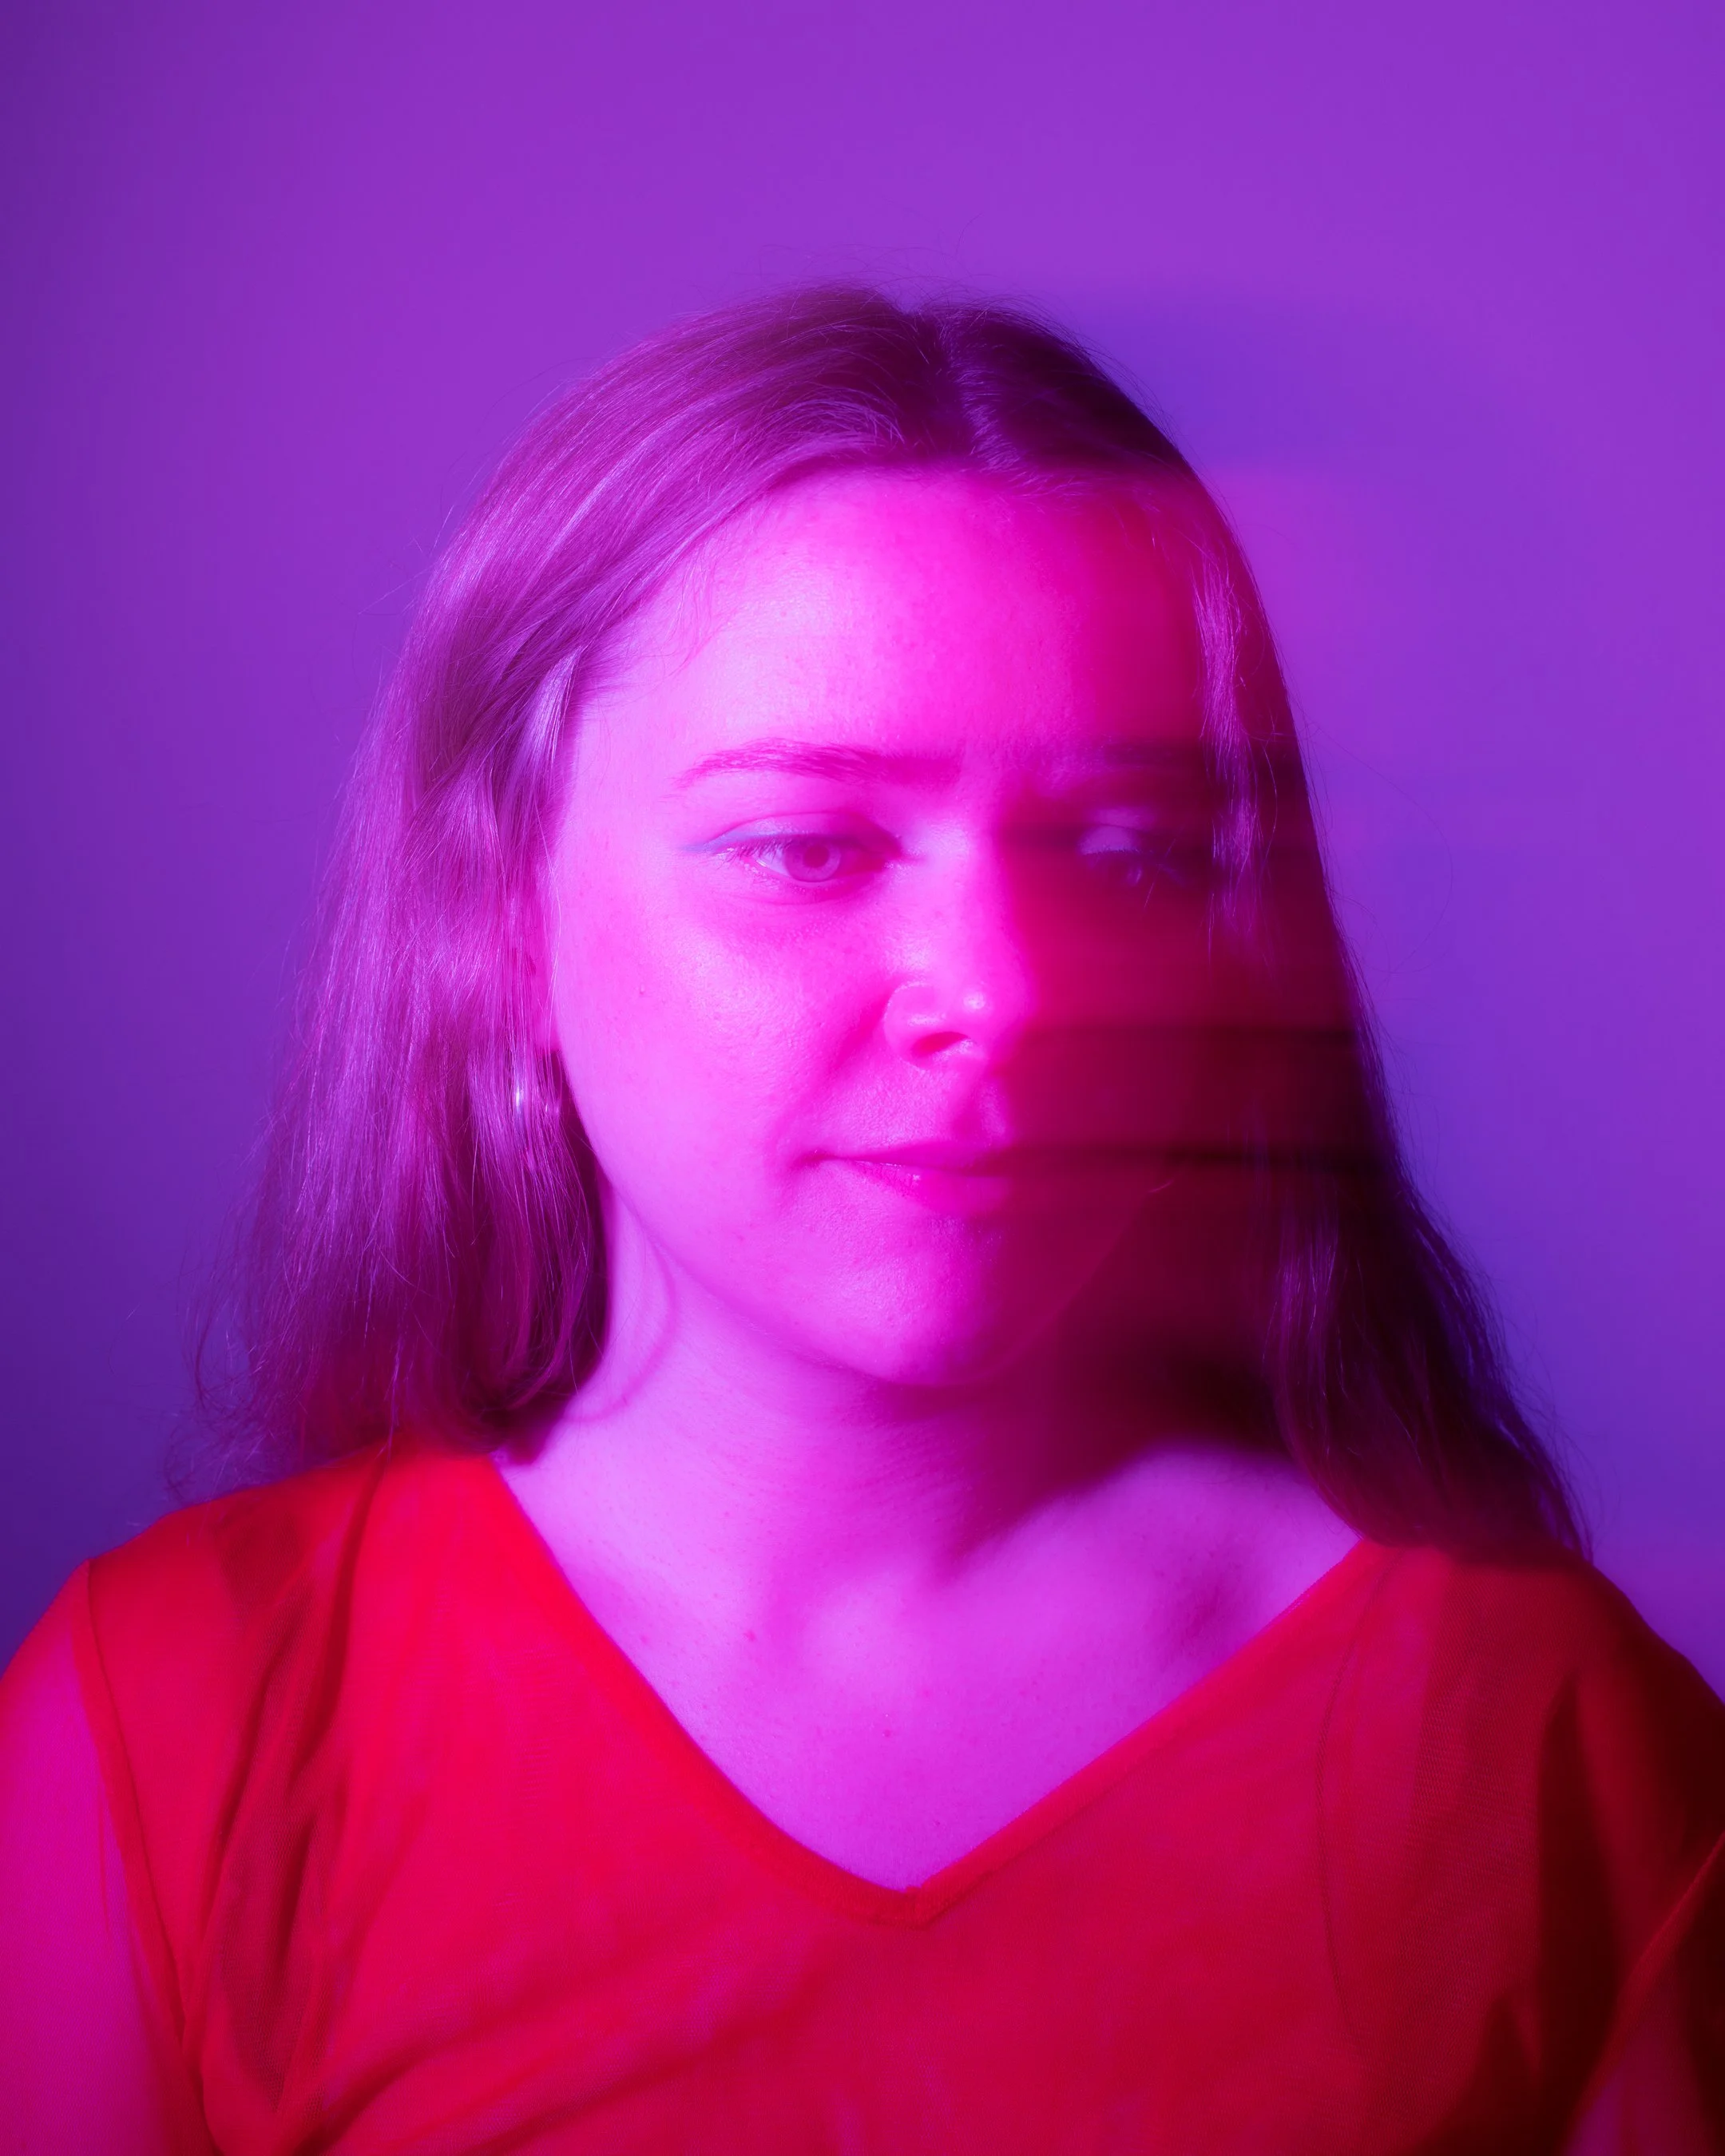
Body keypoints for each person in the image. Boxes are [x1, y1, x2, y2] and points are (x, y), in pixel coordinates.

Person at [1, 289, 1719, 2154]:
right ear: (503, 921)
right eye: (807, 848)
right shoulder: (180, 1721)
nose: (1004, 994)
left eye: (1127, 853)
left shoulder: (1538, 1739)